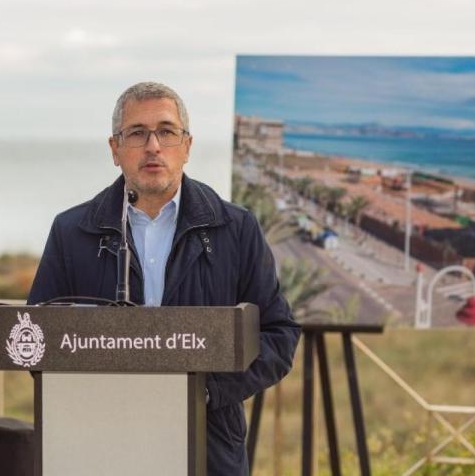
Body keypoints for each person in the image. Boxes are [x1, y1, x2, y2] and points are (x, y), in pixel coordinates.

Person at [28, 81, 300, 475]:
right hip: (98, 447)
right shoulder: (72, 231)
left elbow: (279, 333)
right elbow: (38, 338)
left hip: (208, 448)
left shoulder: (236, 228)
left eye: (167, 132)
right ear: (115, 149)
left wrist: (205, 392)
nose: (153, 146)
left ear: (186, 147)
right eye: (137, 133)